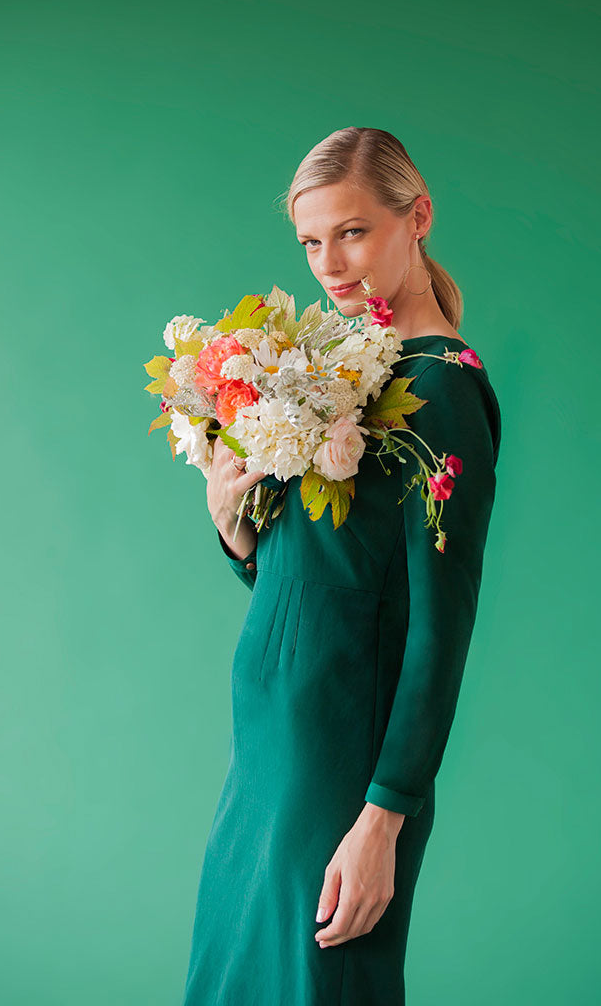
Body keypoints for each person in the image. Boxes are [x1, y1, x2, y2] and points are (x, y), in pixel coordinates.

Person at [181, 127, 502, 1005]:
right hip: (270, 744)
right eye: (311, 241)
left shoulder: (443, 389)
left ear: (417, 216)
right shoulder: (349, 370)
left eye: (353, 232)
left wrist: (383, 819)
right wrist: (236, 532)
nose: (329, 264)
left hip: (341, 764)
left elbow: (440, 627)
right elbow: (322, 580)